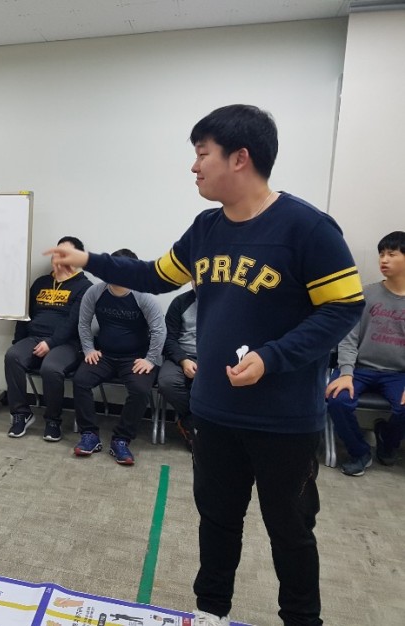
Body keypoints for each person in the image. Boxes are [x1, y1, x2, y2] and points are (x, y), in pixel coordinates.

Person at [46, 105, 364, 626]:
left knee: (290, 530)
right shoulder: (206, 228)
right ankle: (211, 611)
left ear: (240, 158)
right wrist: (89, 260)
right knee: (216, 521)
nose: (194, 167)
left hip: (284, 419)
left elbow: (344, 307)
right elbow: (154, 274)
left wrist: (273, 357)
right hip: (214, 410)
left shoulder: (308, 227)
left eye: (202, 154)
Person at [72, 248, 166, 465]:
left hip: (135, 358)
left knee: (141, 390)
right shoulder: (95, 292)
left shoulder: (144, 296)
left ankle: (121, 439)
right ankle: (89, 434)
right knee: (80, 381)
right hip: (104, 355)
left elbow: (159, 330)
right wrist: (88, 349)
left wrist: (150, 359)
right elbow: (83, 323)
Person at [325, 231, 405, 476]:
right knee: (337, 399)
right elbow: (348, 338)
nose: (384, 259)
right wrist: (346, 373)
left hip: (397, 373)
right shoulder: (366, 294)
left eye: (391, 254)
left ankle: (387, 441)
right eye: (381, 254)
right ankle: (360, 452)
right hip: (360, 369)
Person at [5, 236, 92, 441]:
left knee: (51, 368)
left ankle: (53, 420)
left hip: (67, 344)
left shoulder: (85, 287)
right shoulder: (41, 282)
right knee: (13, 356)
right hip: (34, 337)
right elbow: (25, 316)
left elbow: (74, 322)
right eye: (56, 252)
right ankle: (21, 414)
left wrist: (51, 343)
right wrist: (19, 342)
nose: (58, 257)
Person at [157, 283, 198, 450]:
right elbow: (169, 339)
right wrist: (183, 360)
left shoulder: (223, 304)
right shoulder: (180, 302)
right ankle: (191, 421)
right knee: (167, 382)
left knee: (212, 385)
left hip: (211, 358)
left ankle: (196, 426)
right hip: (181, 356)